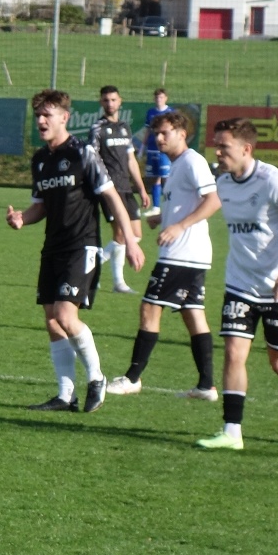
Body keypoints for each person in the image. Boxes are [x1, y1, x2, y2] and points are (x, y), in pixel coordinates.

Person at [6, 89, 145, 413]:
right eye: (38, 115)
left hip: (82, 245)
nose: (41, 121)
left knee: (66, 316)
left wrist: (131, 240)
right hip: (52, 247)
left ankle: (96, 378)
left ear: (64, 118)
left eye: (47, 115)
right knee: (52, 321)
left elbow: (112, 197)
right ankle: (65, 395)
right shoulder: (40, 160)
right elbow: (39, 206)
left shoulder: (83, 153)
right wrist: (22, 219)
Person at [196, 118, 278, 451]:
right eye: (216, 146)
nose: (217, 152)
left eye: (224, 146)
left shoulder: (274, 181)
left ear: (246, 149)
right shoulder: (223, 183)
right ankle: (231, 431)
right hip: (240, 285)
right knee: (233, 353)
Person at [106, 110, 221, 400]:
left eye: (164, 133)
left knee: (149, 309)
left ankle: (132, 378)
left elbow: (213, 200)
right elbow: (189, 202)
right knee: (193, 314)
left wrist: (179, 226)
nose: (158, 138)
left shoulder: (192, 161)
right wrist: (164, 218)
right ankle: (206, 386)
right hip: (191, 255)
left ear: (182, 134)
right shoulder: (178, 164)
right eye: (156, 133)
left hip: (181, 255)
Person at [88, 85, 150, 294]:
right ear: (101, 102)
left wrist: (141, 188)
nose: (110, 103)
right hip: (109, 188)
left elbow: (131, 159)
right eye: (106, 100)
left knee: (136, 234)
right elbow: (91, 158)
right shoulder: (97, 128)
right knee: (122, 235)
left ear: (120, 101)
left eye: (113, 100)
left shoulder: (125, 127)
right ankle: (118, 282)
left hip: (126, 187)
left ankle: (93, 264)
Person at [140, 88, 174, 217]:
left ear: (166, 98)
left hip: (164, 150)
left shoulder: (170, 113)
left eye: (161, 97)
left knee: (167, 178)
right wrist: (142, 147)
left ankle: (170, 206)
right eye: (157, 97)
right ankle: (156, 207)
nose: (159, 100)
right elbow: (147, 131)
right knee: (155, 178)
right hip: (151, 148)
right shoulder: (151, 112)